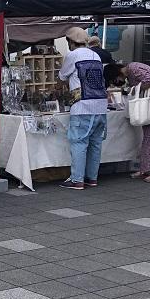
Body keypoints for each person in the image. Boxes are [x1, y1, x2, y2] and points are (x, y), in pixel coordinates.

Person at [58, 27, 107, 190]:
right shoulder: (96, 55)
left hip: (82, 105)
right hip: (101, 104)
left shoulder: (73, 55)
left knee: (79, 142)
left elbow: (62, 76)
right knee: (95, 144)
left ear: (71, 42)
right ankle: (92, 178)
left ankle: (77, 179)